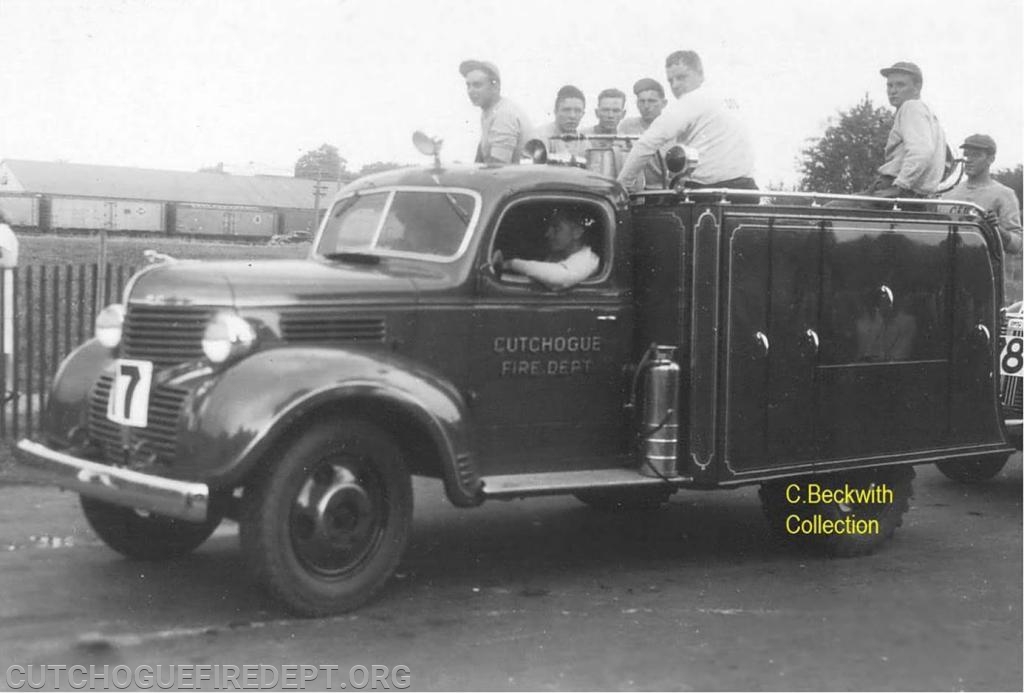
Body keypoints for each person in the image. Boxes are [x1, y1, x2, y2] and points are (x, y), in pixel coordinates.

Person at [617, 50, 756, 193]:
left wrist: (621, 186)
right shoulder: (729, 98)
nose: (675, 85)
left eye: (681, 77)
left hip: (709, 191)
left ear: (700, 74)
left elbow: (647, 143)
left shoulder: (690, 101)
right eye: (670, 80)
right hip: (747, 190)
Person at [942, 134, 1023, 299]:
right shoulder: (948, 195)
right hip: (952, 280)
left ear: (991, 159)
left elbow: (1017, 245)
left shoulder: (1004, 195)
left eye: (976, 155)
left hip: (989, 284)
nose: (968, 160)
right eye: (966, 155)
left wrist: (996, 228)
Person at [866, 61, 948, 198]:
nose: (892, 91)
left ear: (917, 87)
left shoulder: (911, 107)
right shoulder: (930, 116)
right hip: (918, 194)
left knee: (827, 210)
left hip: (897, 189)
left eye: (900, 85)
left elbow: (922, 152)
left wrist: (900, 185)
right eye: (889, 85)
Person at [492, 209, 599, 290]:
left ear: (577, 232)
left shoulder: (588, 260)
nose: (548, 234)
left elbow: (560, 277)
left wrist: (512, 264)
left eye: (556, 228)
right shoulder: (557, 254)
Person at [460, 59, 532, 164]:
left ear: (495, 86)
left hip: (518, 179)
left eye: (477, 85)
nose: (471, 91)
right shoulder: (490, 111)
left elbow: (498, 170)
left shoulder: (504, 114)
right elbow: (481, 159)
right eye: (468, 85)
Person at [618, 78, 670, 188]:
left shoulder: (674, 128)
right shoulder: (627, 126)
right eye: (642, 101)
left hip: (664, 190)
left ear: (664, 103)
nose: (646, 106)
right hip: (633, 189)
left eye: (652, 101)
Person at [532, 85, 588, 158]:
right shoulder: (539, 138)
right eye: (566, 110)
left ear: (583, 114)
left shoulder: (585, 143)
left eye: (577, 111)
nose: (572, 116)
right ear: (555, 111)